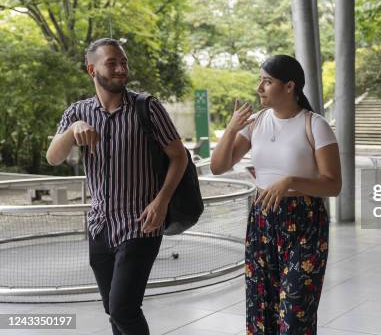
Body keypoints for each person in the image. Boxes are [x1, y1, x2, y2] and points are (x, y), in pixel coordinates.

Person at [46, 38, 187, 335]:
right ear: (91, 70)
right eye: (112, 63)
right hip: (99, 226)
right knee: (113, 309)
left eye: (123, 62)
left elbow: (179, 156)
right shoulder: (78, 112)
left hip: (141, 223)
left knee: (124, 308)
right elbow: (53, 157)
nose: (121, 69)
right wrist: (73, 131)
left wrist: (161, 201)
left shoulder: (147, 108)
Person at [210, 54, 341, 335]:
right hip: (262, 221)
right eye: (260, 81)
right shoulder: (256, 122)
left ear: (290, 86)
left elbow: (333, 185)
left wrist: (291, 182)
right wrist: (232, 127)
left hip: (304, 223)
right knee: (261, 310)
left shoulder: (314, 124)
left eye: (267, 82)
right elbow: (218, 165)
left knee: (295, 315)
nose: (259, 88)